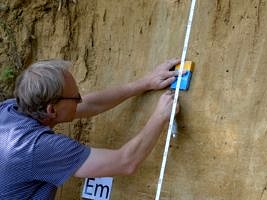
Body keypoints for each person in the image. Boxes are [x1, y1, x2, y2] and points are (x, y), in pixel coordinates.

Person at [0, 58, 181, 199]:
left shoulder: (11, 109)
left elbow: (90, 104)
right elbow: (125, 162)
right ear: (51, 109)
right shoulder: (37, 148)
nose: (80, 100)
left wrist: (145, 82)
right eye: (75, 97)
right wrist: (160, 116)